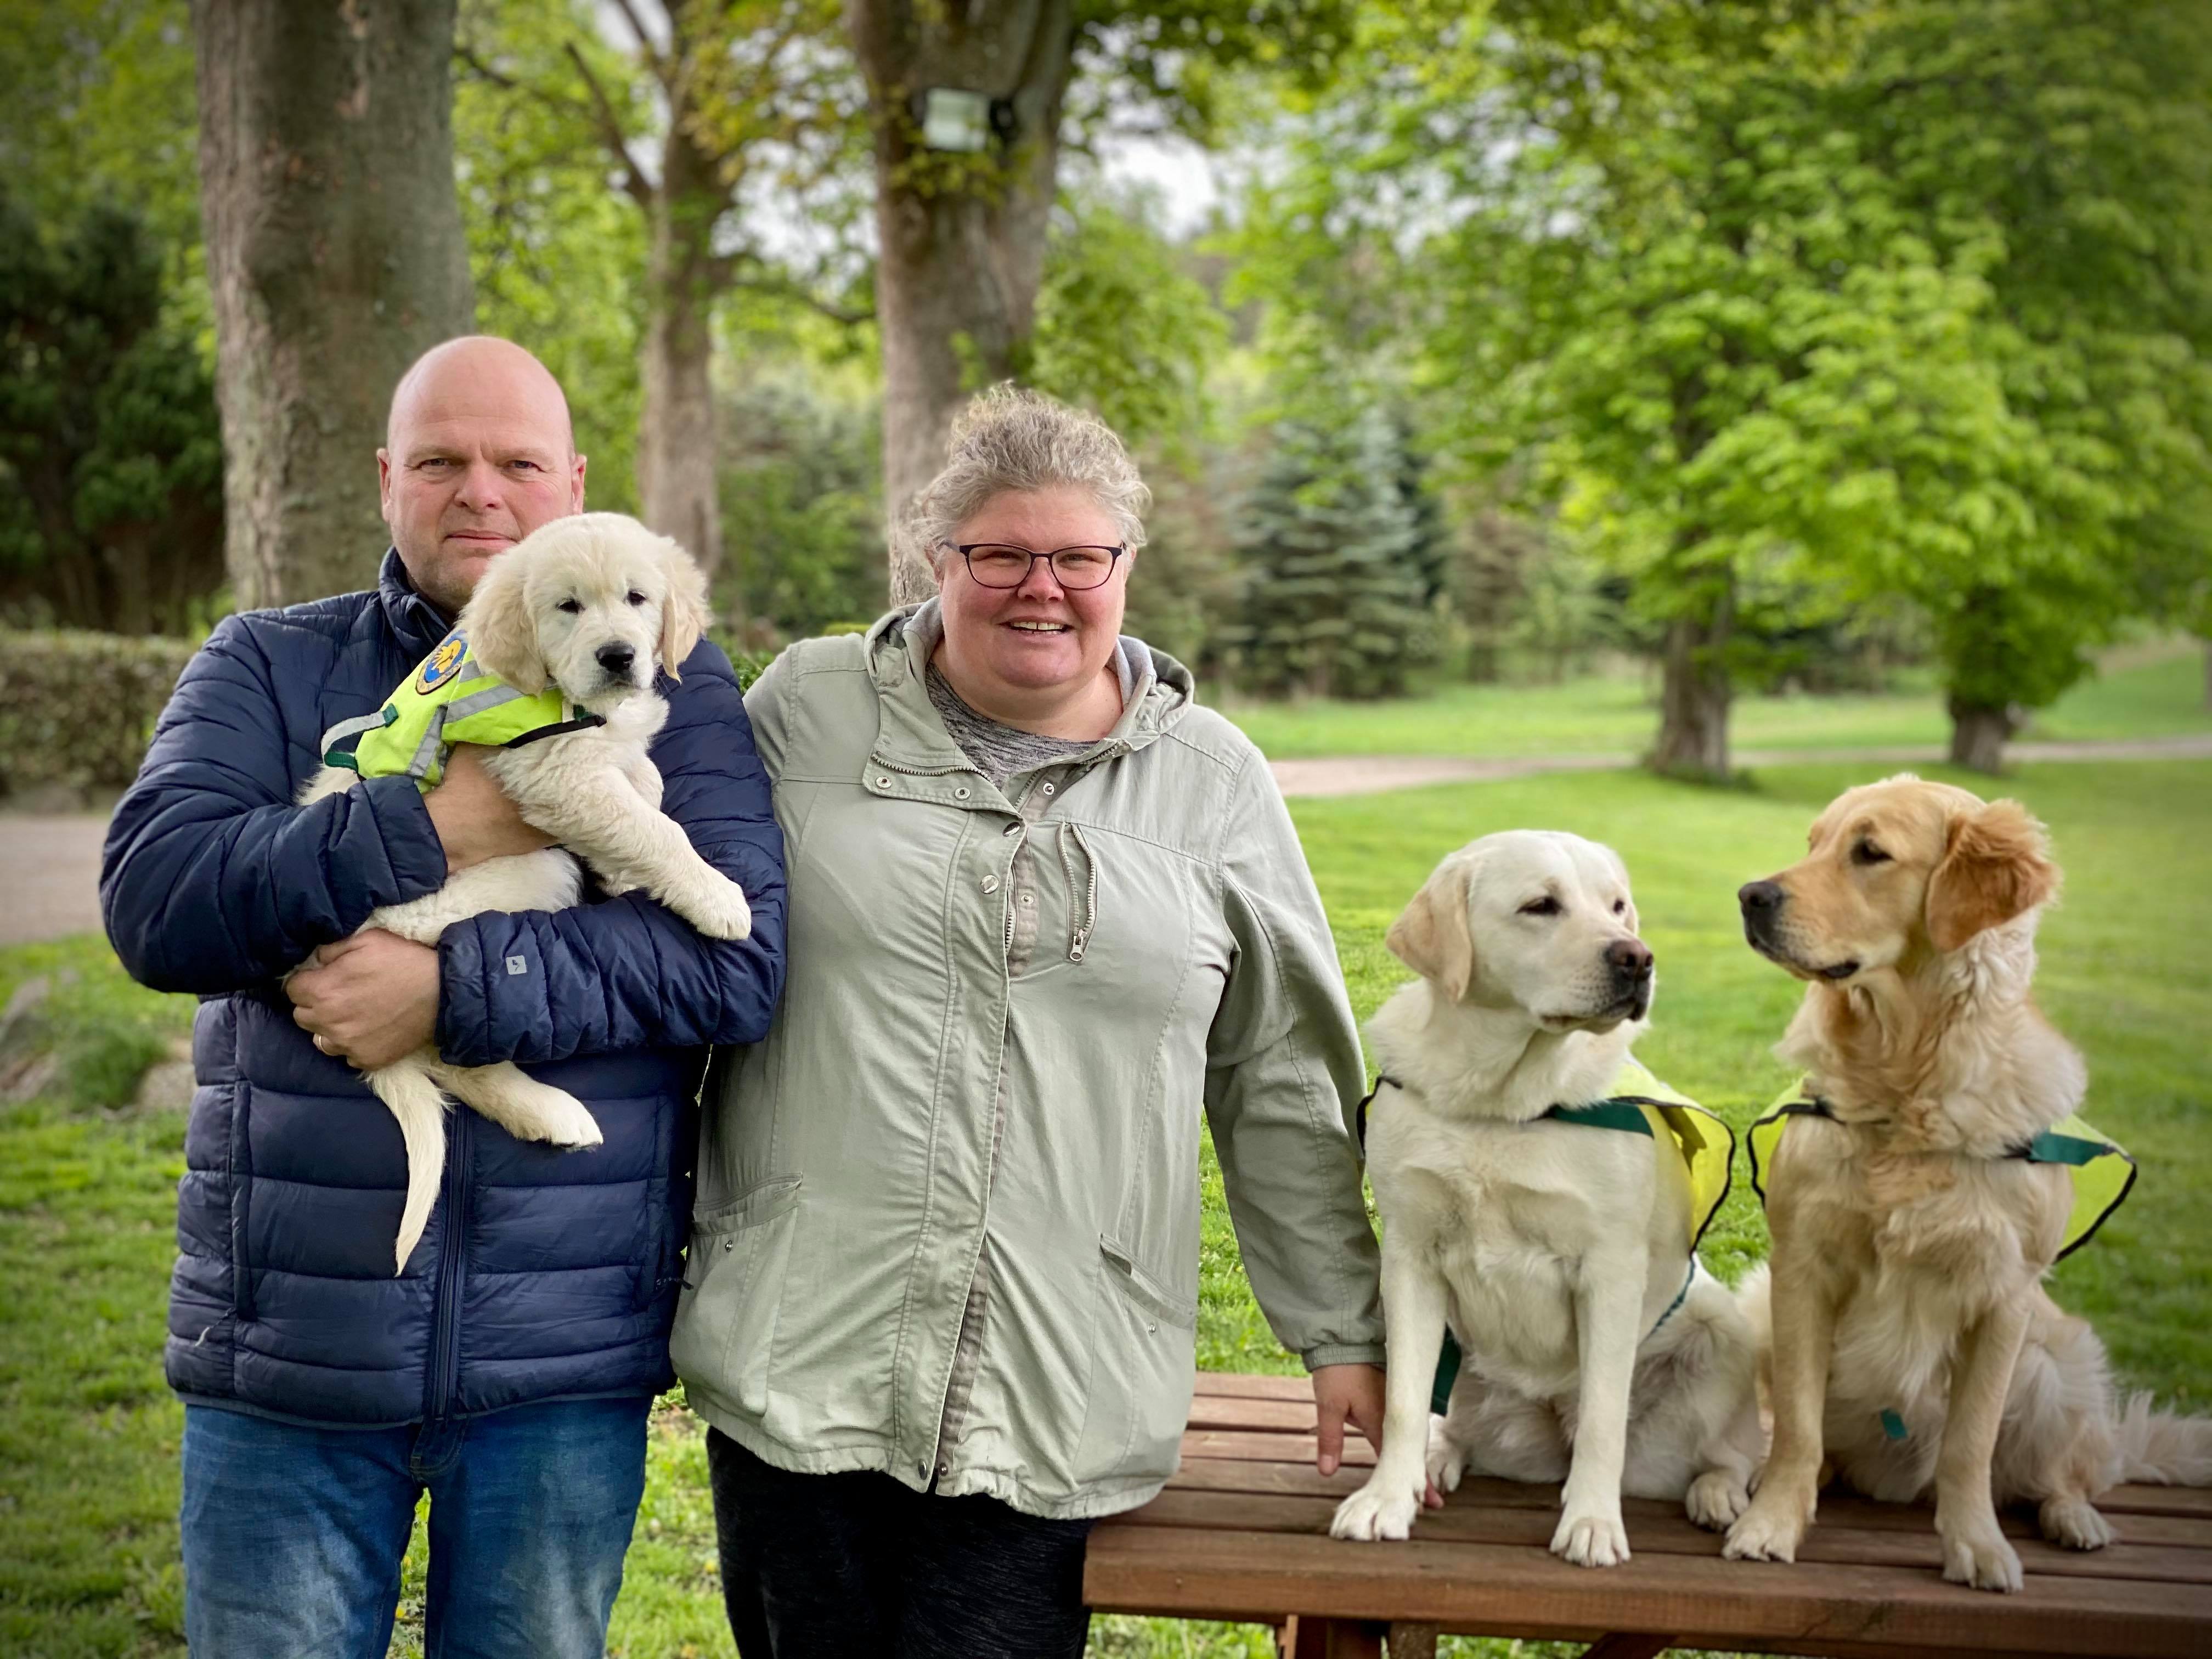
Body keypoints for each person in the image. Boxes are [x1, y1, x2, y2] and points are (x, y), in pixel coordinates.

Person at [99, 336, 787, 1657]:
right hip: (294, 1344)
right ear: (385, 481)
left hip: (561, 1356)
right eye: (440, 461)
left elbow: (737, 962)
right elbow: (157, 899)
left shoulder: (673, 694)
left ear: (574, 480)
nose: (480, 490)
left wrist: (447, 989)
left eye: (518, 461)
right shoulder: (270, 663)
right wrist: (437, 823)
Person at [672, 386, 1386, 1658]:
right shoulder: (805, 710)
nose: (1039, 587)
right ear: (937, 562)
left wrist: (1340, 1331)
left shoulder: (1212, 781)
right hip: (801, 1350)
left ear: (1125, 569)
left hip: (1057, 1381)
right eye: (998, 554)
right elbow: (656, 915)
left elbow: (1280, 1079)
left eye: (1077, 557)